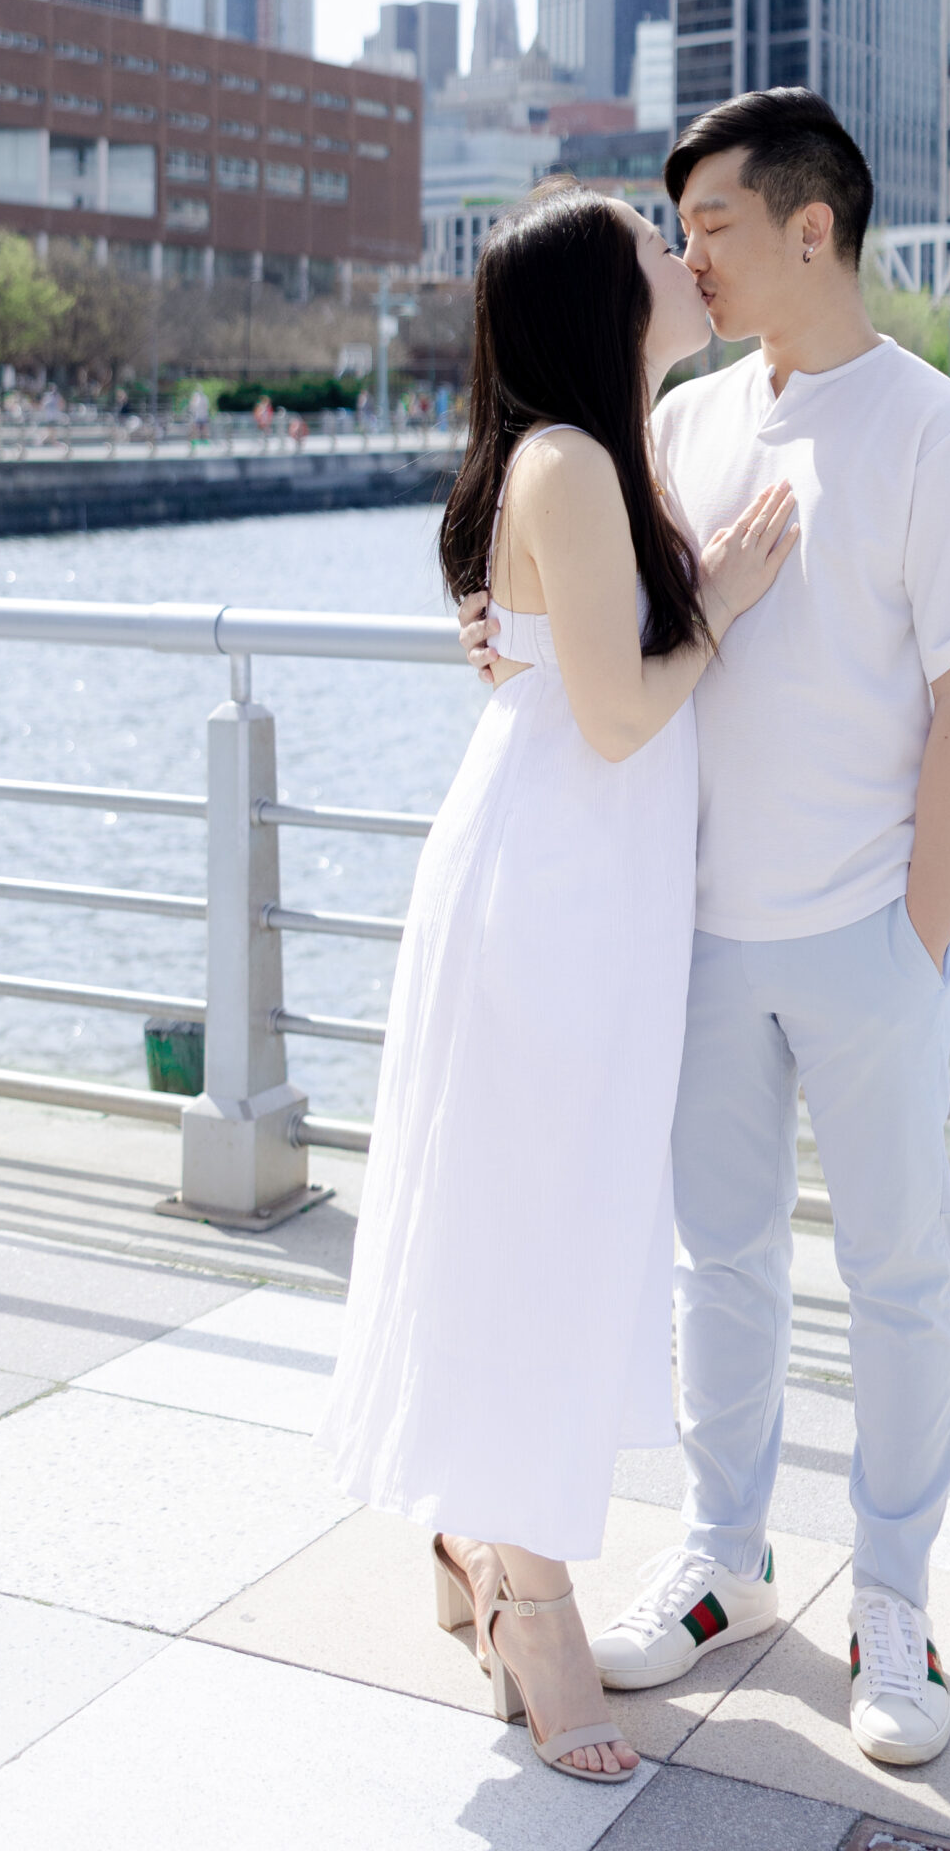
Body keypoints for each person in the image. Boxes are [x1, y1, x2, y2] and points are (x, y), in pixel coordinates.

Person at [463, 90, 950, 1768]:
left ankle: (899, 1603)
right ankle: (720, 1556)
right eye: (675, 227)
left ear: (811, 226)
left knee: (898, 1277)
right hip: (696, 935)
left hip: (866, 932)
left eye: (708, 223)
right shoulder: (686, 423)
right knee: (721, 1266)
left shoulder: (941, 437)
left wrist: (918, 946)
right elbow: (590, 628)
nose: (686, 253)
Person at [315, 184, 798, 1785]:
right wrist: (724, 595)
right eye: (660, 244)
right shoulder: (577, 459)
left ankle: (479, 1539)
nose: (686, 254)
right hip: (557, 902)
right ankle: (528, 1586)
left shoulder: (604, 445)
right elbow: (612, 713)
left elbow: (552, 657)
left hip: (584, 891)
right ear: (603, 296)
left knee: (555, 1222)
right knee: (545, 1231)